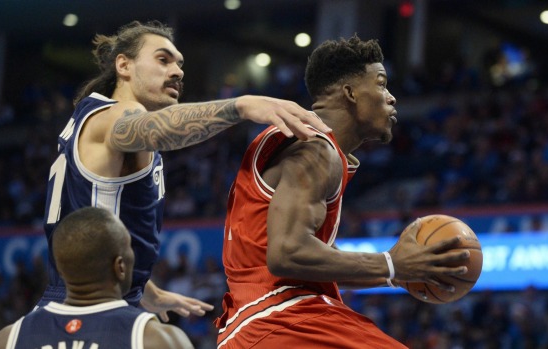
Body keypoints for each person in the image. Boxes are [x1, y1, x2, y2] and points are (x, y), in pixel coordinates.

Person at [37, 19, 331, 321]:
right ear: (123, 65)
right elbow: (148, 129)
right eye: (162, 60)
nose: (177, 72)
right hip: (92, 310)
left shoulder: (94, 119)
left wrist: (145, 290)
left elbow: (94, 221)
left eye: (179, 64)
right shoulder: (115, 116)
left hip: (77, 301)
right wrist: (241, 106)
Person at [214, 35, 471, 348]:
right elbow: (287, 253)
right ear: (350, 93)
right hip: (282, 320)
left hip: (250, 328)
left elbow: (305, 256)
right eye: (381, 84)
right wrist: (390, 263)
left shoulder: (305, 142)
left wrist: (393, 274)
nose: (391, 98)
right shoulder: (316, 150)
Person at [0, 207, 194, 349]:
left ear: (62, 268)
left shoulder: (7, 340)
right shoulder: (156, 339)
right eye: (130, 249)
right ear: (120, 266)